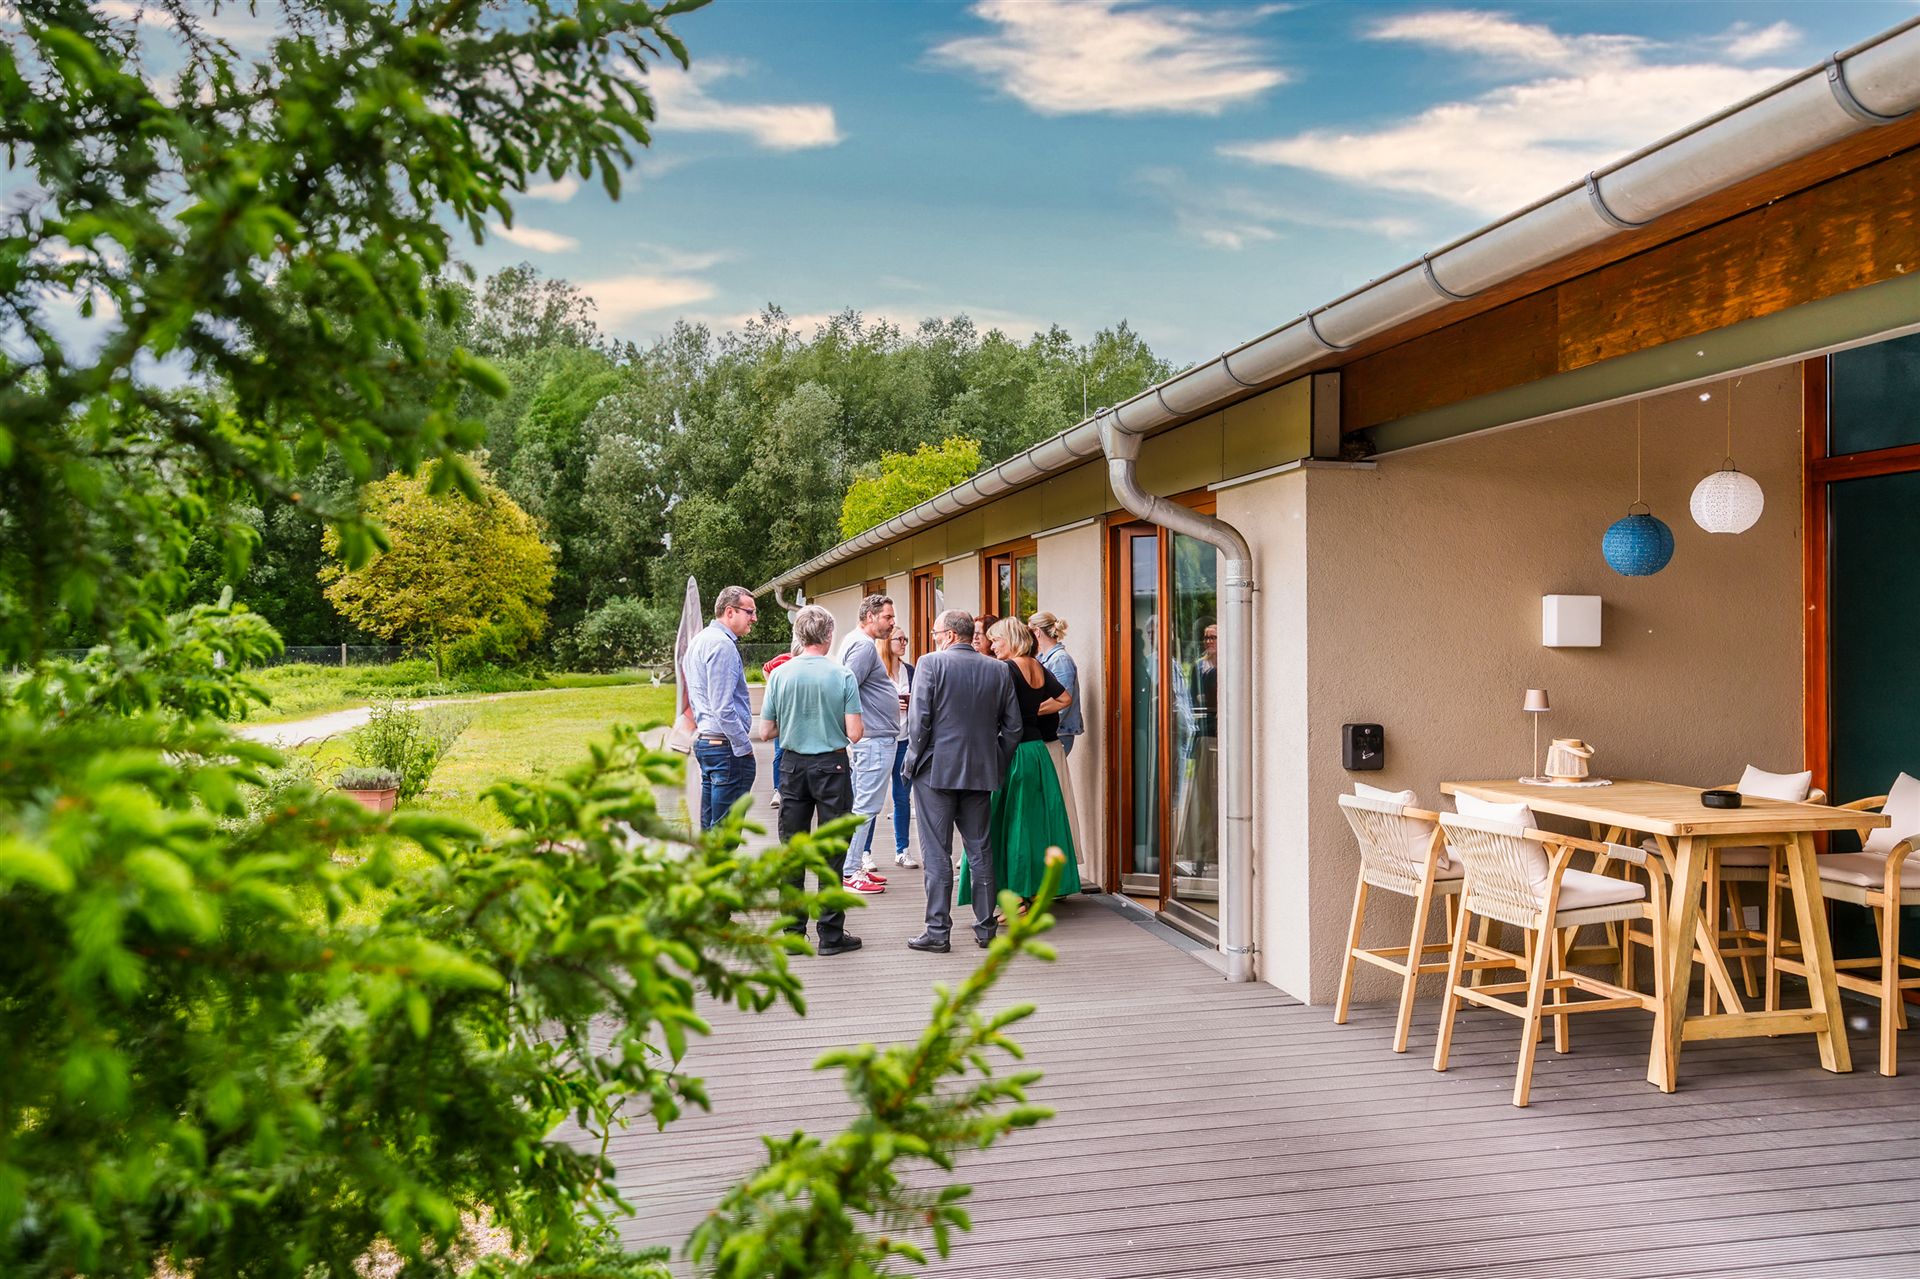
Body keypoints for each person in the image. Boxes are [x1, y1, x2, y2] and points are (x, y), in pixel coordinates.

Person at [902, 610, 1021, 953]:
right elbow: (1013, 728)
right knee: (980, 849)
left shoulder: (930, 663)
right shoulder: (998, 669)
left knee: (936, 852)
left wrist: (911, 762)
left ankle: (938, 931)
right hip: (980, 771)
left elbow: (919, 720)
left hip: (935, 770)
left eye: (936, 633)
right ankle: (986, 929)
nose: (934, 638)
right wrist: (994, 760)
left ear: (951, 635)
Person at [756, 605, 865, 956]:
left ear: (799, 635)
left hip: (791, 767)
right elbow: (855, 733)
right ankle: (830, 935)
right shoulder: (843, 674)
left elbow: (765, 731)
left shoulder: (780, 675)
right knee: (832, 851)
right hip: (832, 767)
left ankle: (792, 932)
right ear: (829, 635)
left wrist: (793, 723)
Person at [961, 616, 1083, 911]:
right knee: (1036, 823)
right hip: (1037, 752)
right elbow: (1064, 698)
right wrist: (1033, 711)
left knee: (1005, 824)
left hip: (1012, 753)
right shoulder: (1037, 665)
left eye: (996, 640)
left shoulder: (1005, 668)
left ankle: (1015, 895)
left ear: (1011, 639)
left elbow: (989, 710)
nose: (992, 646)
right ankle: (1038, 890)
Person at [684, 584, 757, 831]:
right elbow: (722, 707)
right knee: (725, 832)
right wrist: (743, 745)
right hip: (725, 748)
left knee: (710, 831)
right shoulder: (722, 645)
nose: (754, 618)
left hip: (708, 743)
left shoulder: (699, 640)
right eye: (749, 612)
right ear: (730, 611)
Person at [839, 593, 898, 894]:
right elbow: (846, 688)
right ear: (870, 616)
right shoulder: (863, 646)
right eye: (887, 617)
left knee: (861, 806)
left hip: (873, 739)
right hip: (873, 741)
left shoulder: (859, 643)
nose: (892, 623)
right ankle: (850, 871)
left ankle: (850, 865)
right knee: (865, 808)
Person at [1029, 610, 1088, 886]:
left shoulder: (1060, 659)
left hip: (1058, 735)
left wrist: (1029, 715)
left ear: (1036, 632)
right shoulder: (1044, 658)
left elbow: (1061, 703)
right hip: (1049, 735)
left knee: (1053, 799)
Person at [882, 625, 917, 868]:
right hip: (882, 740)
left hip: (905, 740)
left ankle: (902, 849)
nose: (904, 643)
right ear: (887, 641)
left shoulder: (910, 671)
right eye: (900, 639)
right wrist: (891, 704)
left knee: (903, 797)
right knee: (872, 800)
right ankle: (864, 853)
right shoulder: (877, 672)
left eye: (905, 639)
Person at [761, 642, 799, 809]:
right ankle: (778, 789)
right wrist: (771, 686)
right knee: (780, 752)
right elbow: (766, 668)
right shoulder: (783, 661)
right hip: (782, 712)